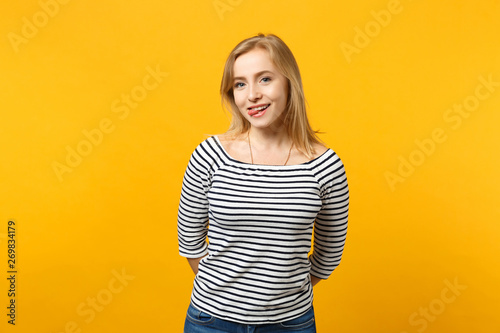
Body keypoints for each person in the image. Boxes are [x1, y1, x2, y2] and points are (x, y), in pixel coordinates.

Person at [177, 33, 349, 332]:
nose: (251, 94)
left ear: (288, 83)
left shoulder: (325, 166)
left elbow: (329, 252)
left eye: (265, 79)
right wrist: (224, 295)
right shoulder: (210, 155)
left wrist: (284, 295)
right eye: (240, 84)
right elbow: (189, 241)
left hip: (290, 324)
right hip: (211, 322)